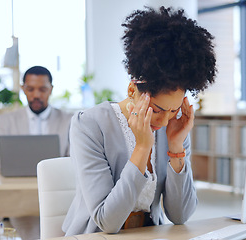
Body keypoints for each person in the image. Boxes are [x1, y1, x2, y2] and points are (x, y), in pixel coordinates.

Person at [62, 6, 216, 235]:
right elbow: (107, 222)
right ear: (132, 89)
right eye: (157, 110)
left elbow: (180, 215)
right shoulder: (89, 125)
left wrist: (175, 148)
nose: (164, 122)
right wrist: (143, 147)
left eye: (173, 110)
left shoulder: (173, 128)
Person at [0, 65, 73, 240]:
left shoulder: (69, 121)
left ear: (51, 90)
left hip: (55, 195)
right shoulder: (6, 121)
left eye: (42, 89)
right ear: (23, 89)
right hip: (18, 195)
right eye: (30, 89)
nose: (36, 95)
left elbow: (73, 161)